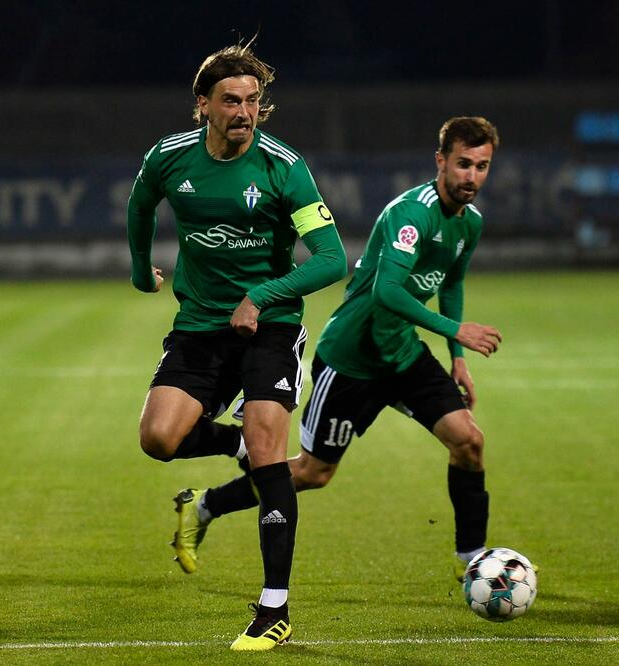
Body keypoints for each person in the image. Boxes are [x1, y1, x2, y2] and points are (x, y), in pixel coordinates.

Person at [172, 116, 505, 589]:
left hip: (402, 354)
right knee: (313, 472)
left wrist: (457, 357)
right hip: (351, 359)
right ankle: (204, 506)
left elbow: (450, 282)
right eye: (463, 164)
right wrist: (459, 330)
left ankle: (471, 557)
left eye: (482, 166)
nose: (471, 176)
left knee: (469, 442)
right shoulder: (410, 215)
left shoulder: (469, 222)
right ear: (441, 162)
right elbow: (387, 292)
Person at [126, 41, 346, 651]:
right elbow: (140, 205)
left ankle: (274, 608)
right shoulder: (170, 159)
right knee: (158, 440)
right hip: (200, 324)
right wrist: (142, 269)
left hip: (270, 326)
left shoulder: (283, 168)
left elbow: (332, 259)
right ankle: (232, 442)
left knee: (271, 442)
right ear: (203, 105)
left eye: (253, 100)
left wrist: (263, 294)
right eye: (231, 100)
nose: (245, 111)